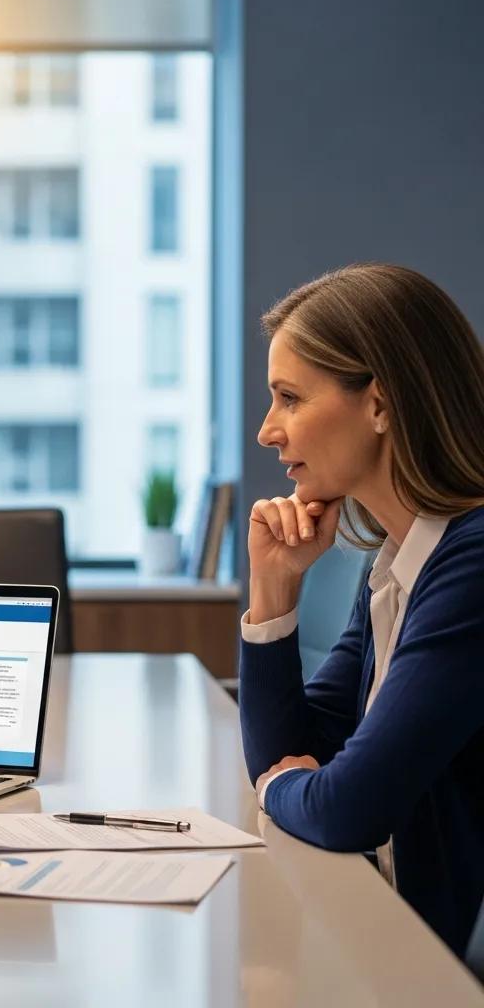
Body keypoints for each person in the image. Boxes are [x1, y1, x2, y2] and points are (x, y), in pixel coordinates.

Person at [240, 262, 484, 956]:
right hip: (386, 931)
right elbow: (299, 748)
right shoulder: (401, 562)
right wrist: (273, 589)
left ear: (379, 405)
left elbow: (348, 808)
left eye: (289, 398)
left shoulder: (472, 567)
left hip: (430, 966)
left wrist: (281, 785)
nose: (268, 431)